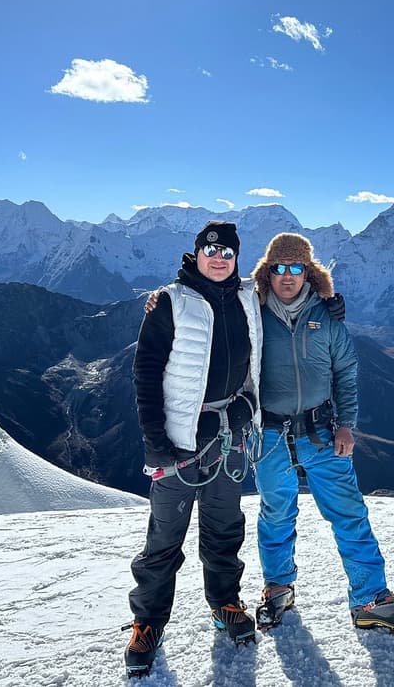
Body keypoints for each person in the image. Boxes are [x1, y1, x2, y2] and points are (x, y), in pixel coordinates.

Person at [249, 233, 394, 634]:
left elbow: (346, 372)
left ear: (308, 272)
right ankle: (278, 588)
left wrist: (347, 423)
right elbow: (211, 299)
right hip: (269, 434)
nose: (288, 276)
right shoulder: (251, 316)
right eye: (279, 268)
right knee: (276, 514)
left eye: (296, 268)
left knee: (349, 514)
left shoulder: (326, 318)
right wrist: (162, 298)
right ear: (267, 273)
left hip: (321, 432)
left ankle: (369, 598)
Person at [124, 221, 262, 678]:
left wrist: (331, 303)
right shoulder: (170, 301)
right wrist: (155, 441)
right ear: (196, 253)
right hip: (181, 440)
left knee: (225, 527)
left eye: (227, 253)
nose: (219, 258)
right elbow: (145, 372)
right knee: (164, 537)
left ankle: (224, 602)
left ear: (237, 258)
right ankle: (147, 623)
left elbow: (292, 302)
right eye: (211, 250)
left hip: (228, 433)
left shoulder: (247, 297)